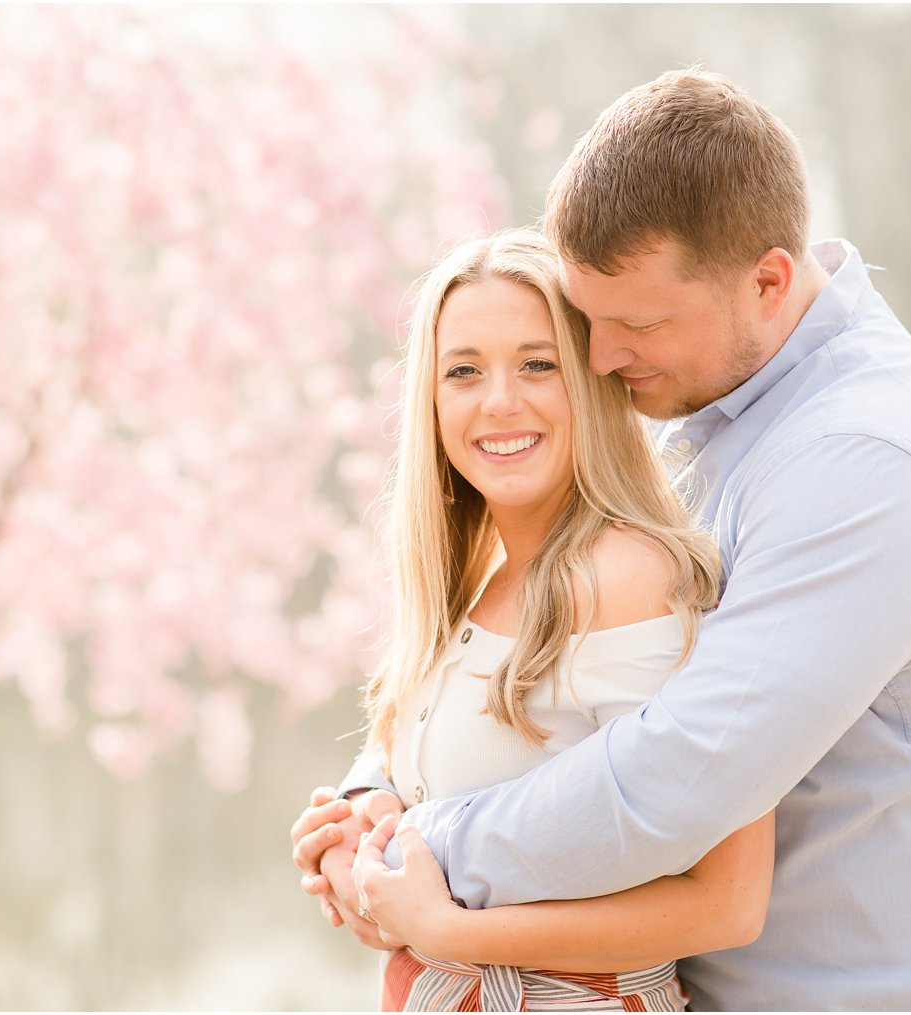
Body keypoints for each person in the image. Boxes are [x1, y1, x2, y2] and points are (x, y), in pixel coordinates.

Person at [294, 69, 911, 1011]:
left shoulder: (874, 458)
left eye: (635, 324)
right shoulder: (706, 408)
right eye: (588, 325)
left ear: (769, 281)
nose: (602, 361)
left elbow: (684, 771)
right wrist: (370, 792)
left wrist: (418, 852)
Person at [311, 227, 775, 1011]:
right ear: (431, 398)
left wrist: (447, 929)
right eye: (464, 371)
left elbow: (725, 901)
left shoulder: (629, 576)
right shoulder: (470, 578)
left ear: (591, 382)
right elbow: (425, 784)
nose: (500, 400)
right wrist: (357, 829)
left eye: (538, 363)